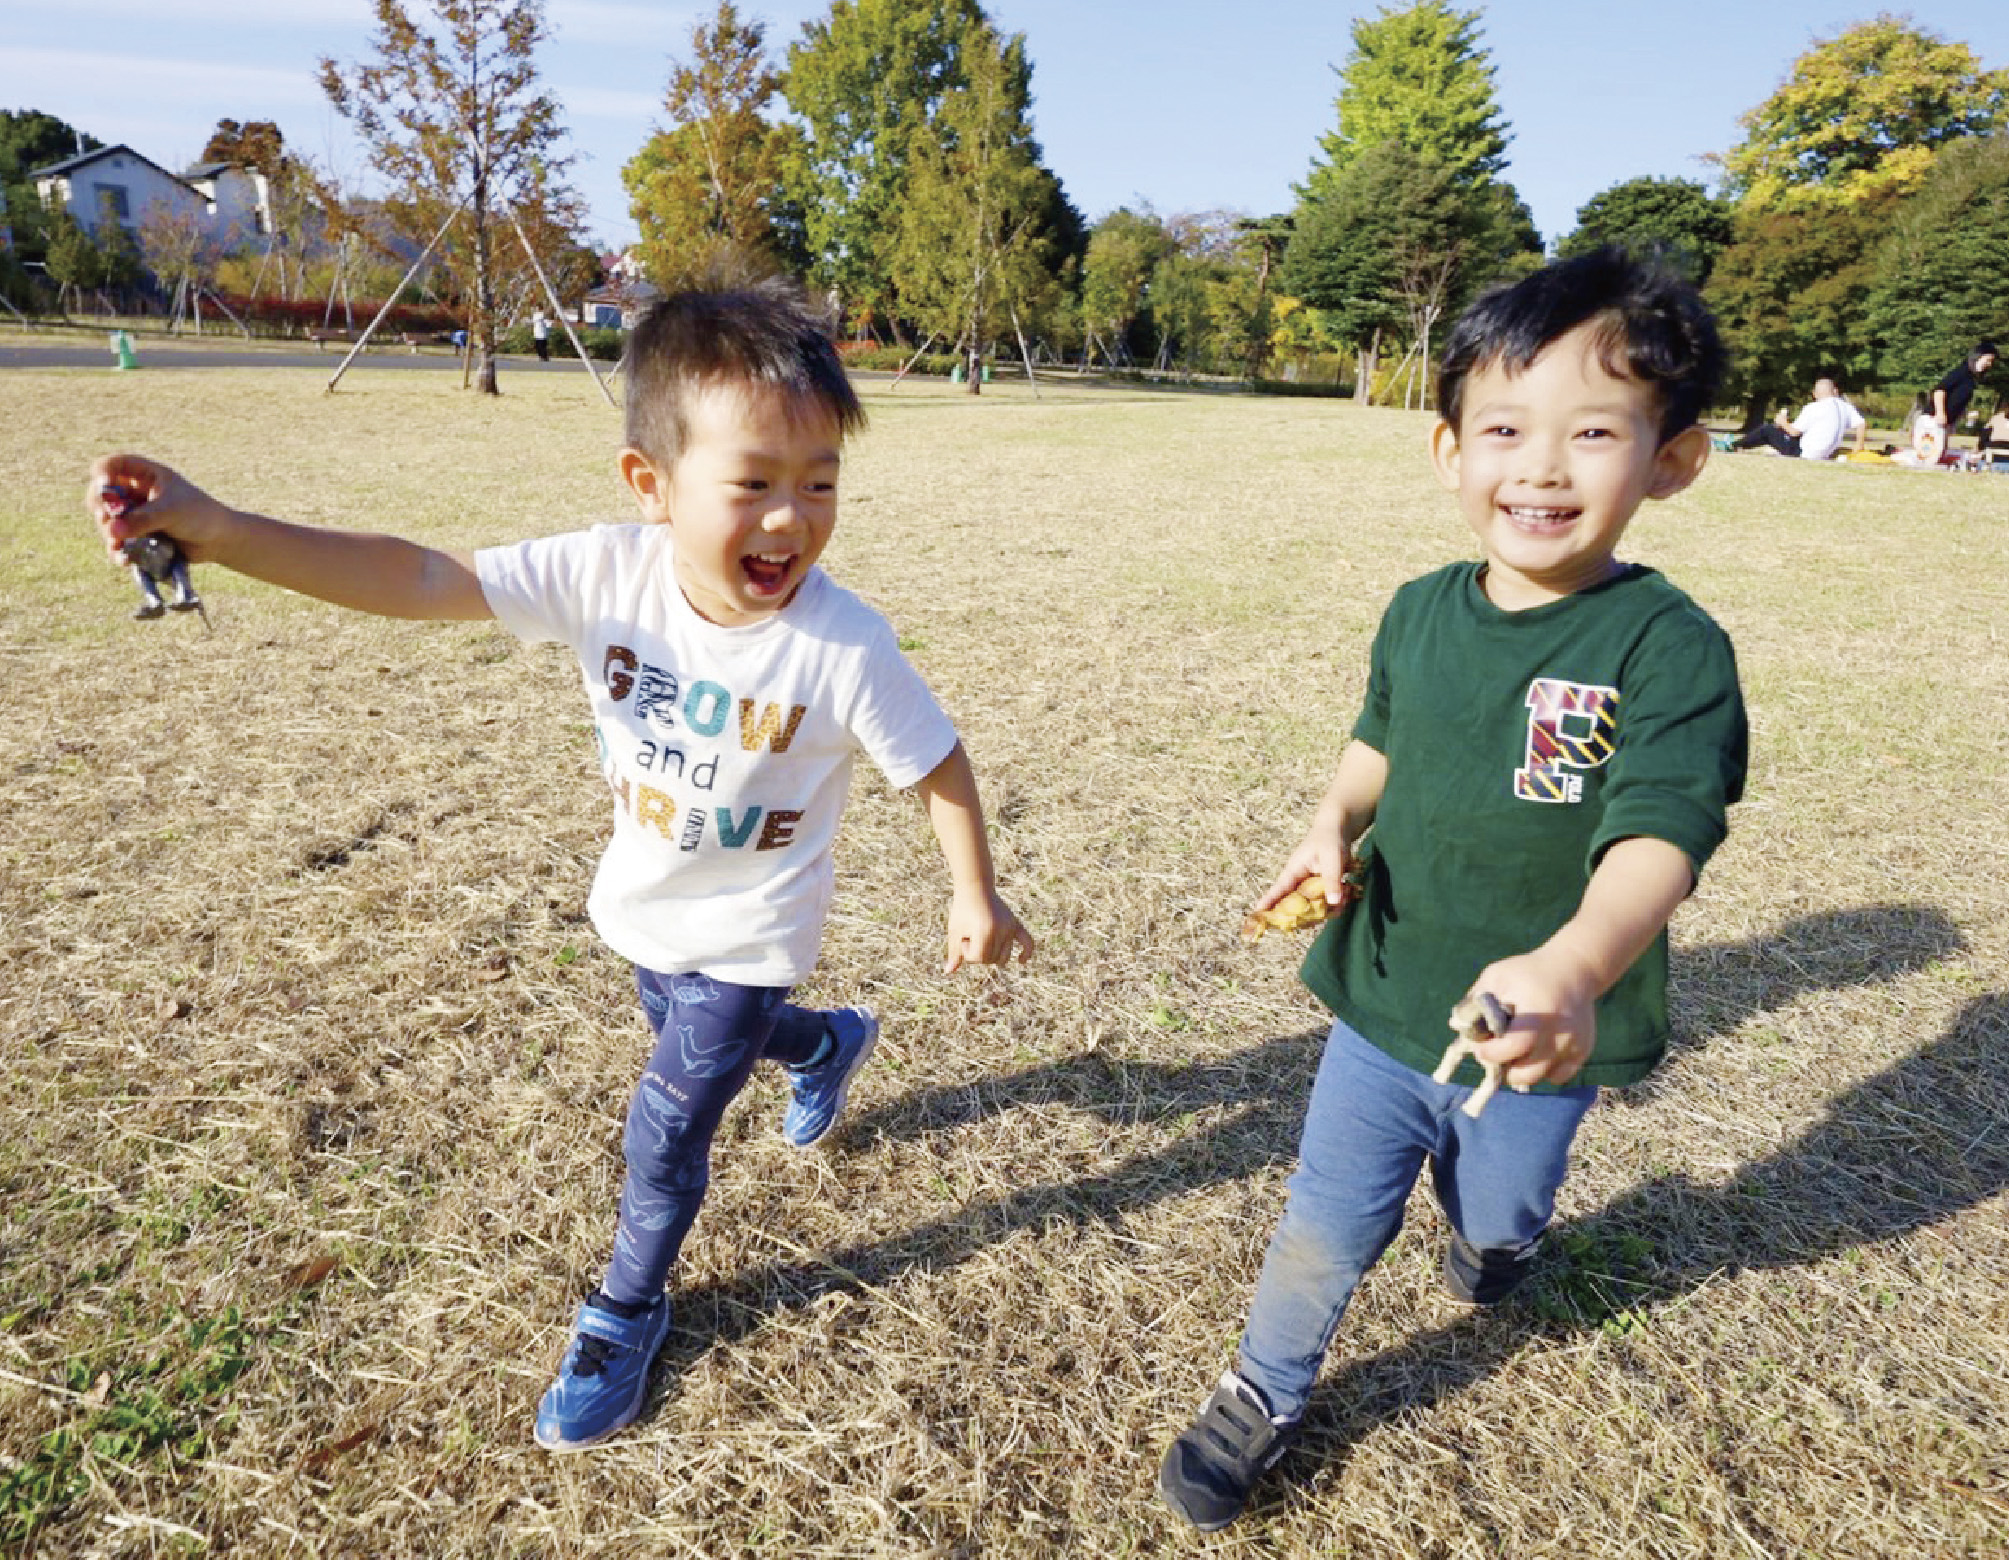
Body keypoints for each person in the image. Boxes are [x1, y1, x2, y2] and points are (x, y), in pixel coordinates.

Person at [86, 278, 1035, 1454]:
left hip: (749, 934)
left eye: (820, 485)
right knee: (685, 1021)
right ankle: (829, 1041)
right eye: (751, 485)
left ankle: (625, 1311)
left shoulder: (843, 643)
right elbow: (424, 578)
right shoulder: (604, 576)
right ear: (651, 485)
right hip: (645, 912)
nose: (791, 521)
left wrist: (971, 893)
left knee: (667, 1129)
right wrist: (220, 530)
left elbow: (935, 760)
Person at [1157, 249, 1749, 1532]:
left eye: (1591, 431)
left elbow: (1663, 830)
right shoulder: (1419, 609)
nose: (1538, 467)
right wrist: (1329, 824)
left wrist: (1573, 966)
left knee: (1499, 1210)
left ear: (1670, 460)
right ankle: (1262, 1388)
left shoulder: (1667, 646)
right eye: (1502, 428)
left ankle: (1494, 1241)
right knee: (1323, 1216)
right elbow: (1378, 739)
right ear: (1446, 451)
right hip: (1382, 995)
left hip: (1536, 1038)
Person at [1730, 376, 1866, 460]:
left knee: (1768, 430)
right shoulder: (1845, 406)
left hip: (1805, 454)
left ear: (1815, 394)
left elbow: (1794, 432)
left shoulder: (1814, 407)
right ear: (1835, 392)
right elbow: (1861, 423)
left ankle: (1735, 445)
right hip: (1825, 453)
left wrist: (1782, 422)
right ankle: (1742, 446)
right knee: (1778, 433)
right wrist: (1859, 444)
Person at [1917, 340, 1999, 457]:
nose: (1989, 364)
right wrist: (1940, 413)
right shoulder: (1961, 372)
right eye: (1988, 360)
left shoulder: (1971, 378)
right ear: (1977, 357)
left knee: (1940, 453)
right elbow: (1939, 390)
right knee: (1930, 455)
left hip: (1946, 422)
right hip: (1933, 419)